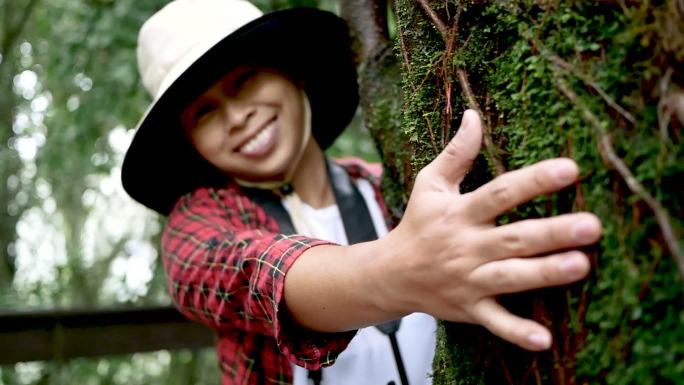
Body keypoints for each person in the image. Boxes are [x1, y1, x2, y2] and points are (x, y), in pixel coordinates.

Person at [120, 1, 603, 384]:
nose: (236, 116)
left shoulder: (387, 182)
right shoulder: (197, 226)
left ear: (294, 73)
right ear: (192, 145)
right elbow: (255, 272)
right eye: (204, 112)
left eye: (245, 81)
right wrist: (402, 273)